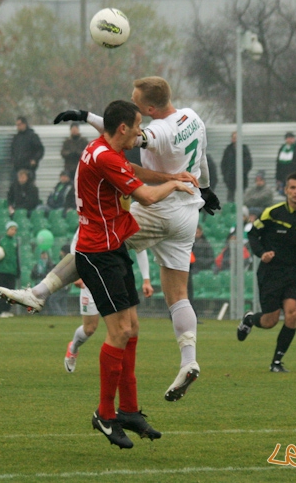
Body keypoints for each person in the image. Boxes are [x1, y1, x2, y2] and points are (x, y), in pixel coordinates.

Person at [0, 77, 215, 403]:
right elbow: (202, 164)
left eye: (136, 101)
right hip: (188, 213)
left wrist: (87, 116)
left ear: (150, 108)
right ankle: (188, 359)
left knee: (87, 241)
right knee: (179, 294)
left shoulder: (160, 132)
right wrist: (206, 189)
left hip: (160, 206)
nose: (132, 103)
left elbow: (123, 133)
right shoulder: (193, 118)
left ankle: (38, 292)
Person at [72, 100, 193, 448]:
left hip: (112, 248)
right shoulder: (106, 157)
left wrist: (170, 175)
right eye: (138, 126)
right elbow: (147, 197)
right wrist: (175, 186)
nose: (142, 132)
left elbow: (133, 173)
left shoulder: (102, 149)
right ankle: (104, 414)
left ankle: (128, 410)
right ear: (122, 128)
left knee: (133, 328)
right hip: (96, 254)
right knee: (120, 331)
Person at [237, 173, 296, 372]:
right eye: (292, 188)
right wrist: (261, 253)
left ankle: (276, 362)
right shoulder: (272, 213)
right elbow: (252, 234)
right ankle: (250, 319)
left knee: (292, 315)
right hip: (270, 272)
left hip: (293, 273)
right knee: (270, 321)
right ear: (285, 190)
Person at [64, 250, 152, 373]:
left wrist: (146, 279)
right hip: (91, 280)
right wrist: (79, 271)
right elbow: (77, 247)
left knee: (122, 327)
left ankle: (118, 366)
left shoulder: (120, 232)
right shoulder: (85, 230)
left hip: (113, 279)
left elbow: (140, 246)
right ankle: (73, 348)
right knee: (89, 328)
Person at [10, 116, 44, 182]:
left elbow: (40, 149)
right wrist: (13, 160)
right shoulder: (16, 138)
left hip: (28, 168)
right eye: (17, 125)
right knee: (15, 188)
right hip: (17, 168)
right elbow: (12, 150)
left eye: (19, 125)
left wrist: (35, 160)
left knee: (29, 188)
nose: (18, 127)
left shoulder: (32, 136)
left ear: (24, 124)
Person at [221, 131, 252, 202]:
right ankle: (231, 211)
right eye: (233, 137)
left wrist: (243, 172)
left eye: (236, 137)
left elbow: (249, 163)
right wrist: (225, 175)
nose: (235, 139)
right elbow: (223, 164)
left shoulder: (244, 149)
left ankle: (242, 210)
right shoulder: (228, 149)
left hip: (242, 178)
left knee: (242, 197)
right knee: (230, 198)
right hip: (230, 179)